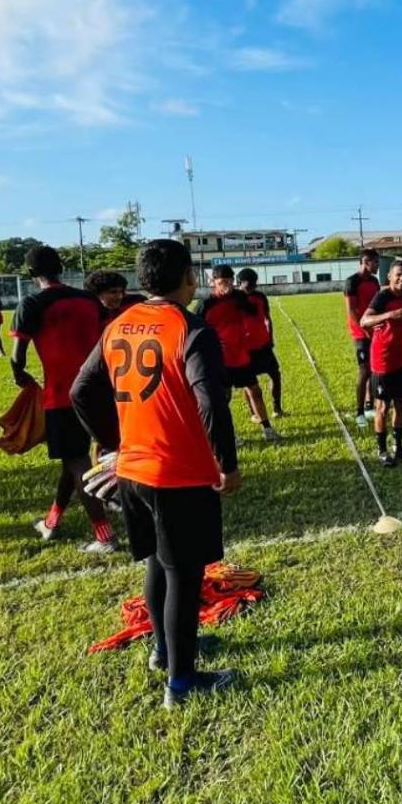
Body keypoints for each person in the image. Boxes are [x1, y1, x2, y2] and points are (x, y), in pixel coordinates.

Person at [72, 239, 239, 707]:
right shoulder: (190, 328)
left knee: (158, 564)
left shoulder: (118, 324)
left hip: (133, 471)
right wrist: (228, 465)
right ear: (187, 276)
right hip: (178, 473)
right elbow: (212, 402)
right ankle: (181, 683)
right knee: (185, 576)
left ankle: (165, 651)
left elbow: (80, 390)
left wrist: (116, 443)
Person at [11, 245, 117, 551]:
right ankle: (51, 521)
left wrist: (20, 377)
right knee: (73, 461)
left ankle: (104, 536)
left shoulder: (32, 303)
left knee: (77, 461)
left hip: (62, 395)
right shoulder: (88, 300)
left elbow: (17, 357)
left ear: (30, 273)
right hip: (100, 389)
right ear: (61, 266)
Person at [199, 266, 280, 442]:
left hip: (242, 355)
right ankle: (230, 435)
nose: (226, 286)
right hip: (221, 359)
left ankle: (267, 429)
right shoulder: (206, 303)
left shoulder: (239, 297)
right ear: (213, 282)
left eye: (229, 281)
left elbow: (253, 312)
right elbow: (196, 328)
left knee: (255, 390)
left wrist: (241, 298)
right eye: (222, 282)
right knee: (224, 398)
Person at [360, 260, 402, 467]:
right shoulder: (383, 296)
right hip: (382, 360)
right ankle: (382, 450)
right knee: (382, 406)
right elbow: (364, 321)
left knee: (401, 403)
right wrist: (390, 315)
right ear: (389, 277)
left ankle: (399, 447)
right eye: (398, 275)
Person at [236, 268, 283, 418]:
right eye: (249, 285)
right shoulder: (235, 299)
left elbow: (267, 318)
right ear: (240, 283)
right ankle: (254, 413)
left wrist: (271, 338)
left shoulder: (260, 297)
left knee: (275, 375)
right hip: (246, 349)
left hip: (263, 345)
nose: (252, 287)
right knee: (249, 383)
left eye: (254, 284)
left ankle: (277, 408)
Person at [344, 249, 381, 428]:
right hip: (361, 334)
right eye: (376, 262)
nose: (378, 266)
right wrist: (364, 330)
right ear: (366, 261)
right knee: (364, 371)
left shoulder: (374, 281)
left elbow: (377, 305)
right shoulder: (352, 282)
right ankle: (359, 412)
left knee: (375, 370)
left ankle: (370, 405)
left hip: (376, 331)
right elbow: (351, 311)